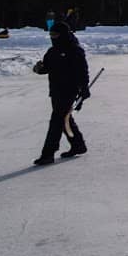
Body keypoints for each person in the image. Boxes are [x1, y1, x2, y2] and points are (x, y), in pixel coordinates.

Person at [32, 19, 90, 165]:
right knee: (65, 120)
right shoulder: (52, 51)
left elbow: (82, 72)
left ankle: (48, 154)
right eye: (51, 35)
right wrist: (39, 69)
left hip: (69, 91)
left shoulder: (75, 50)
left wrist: (84, 89)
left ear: (63, 35)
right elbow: (46, 68)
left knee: (57, 121)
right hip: (55, 90)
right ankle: (78, 145)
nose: (52, 37)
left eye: (55, 35)